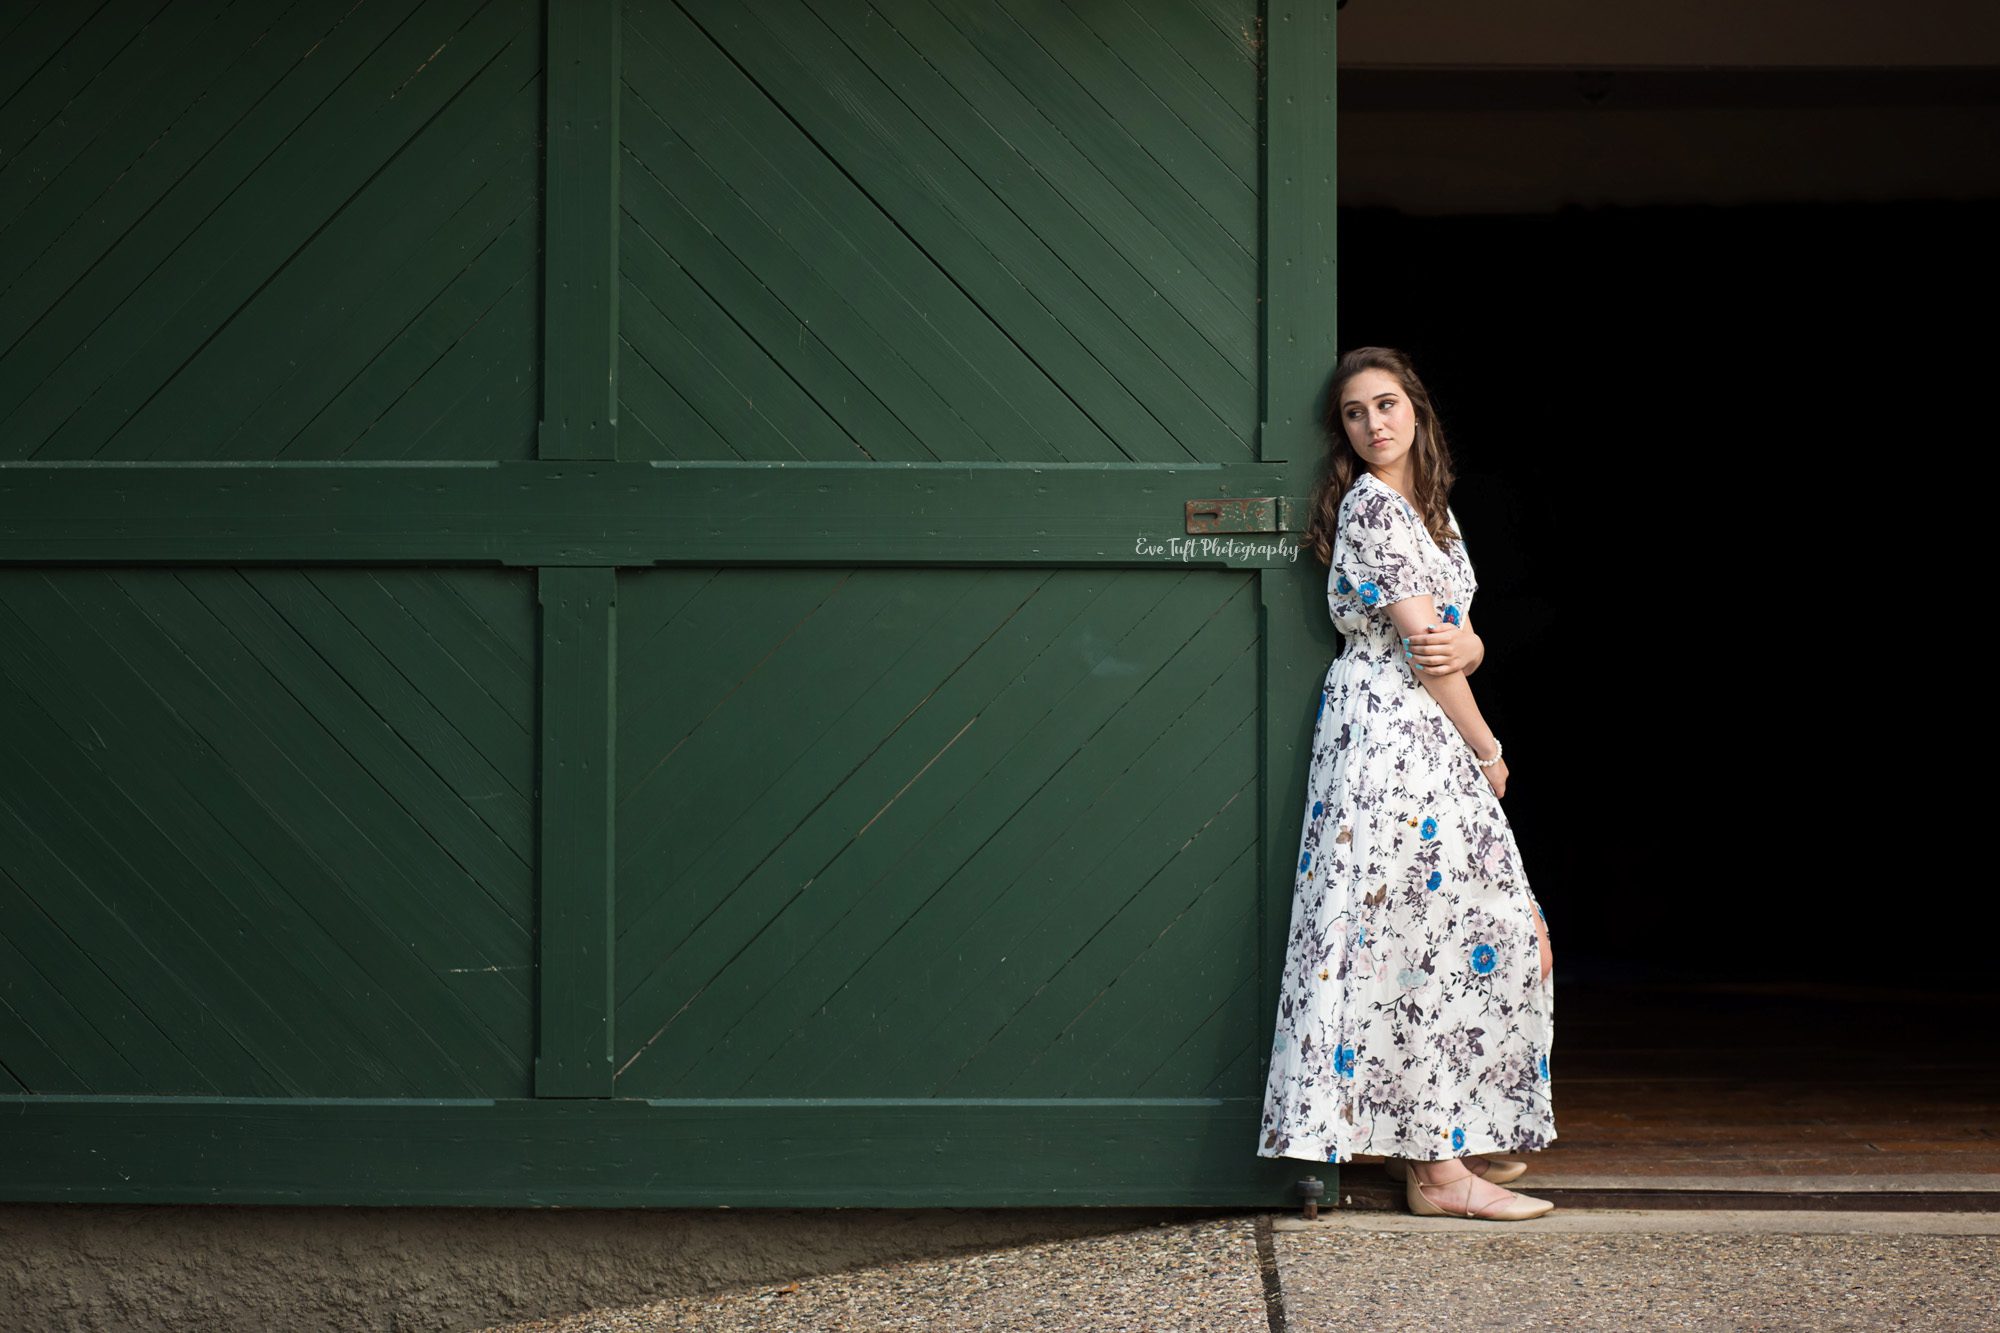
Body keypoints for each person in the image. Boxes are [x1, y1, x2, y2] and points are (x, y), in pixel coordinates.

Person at [1256, 346, 1557, 1222]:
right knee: (1429, 931)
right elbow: (1431, 649)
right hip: (1396, 734)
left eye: (1387, 404)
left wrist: (1479, 647)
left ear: (1417, 411)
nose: (1374, 422)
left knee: (1462, 923)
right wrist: (1490, 748)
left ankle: (1443, 1131)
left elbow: (1453, 635)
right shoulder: (1376, 507)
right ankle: (1436, 1170)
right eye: (1355, 413)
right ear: (1344, 432)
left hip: (1418, 728)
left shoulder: (1432, 511)